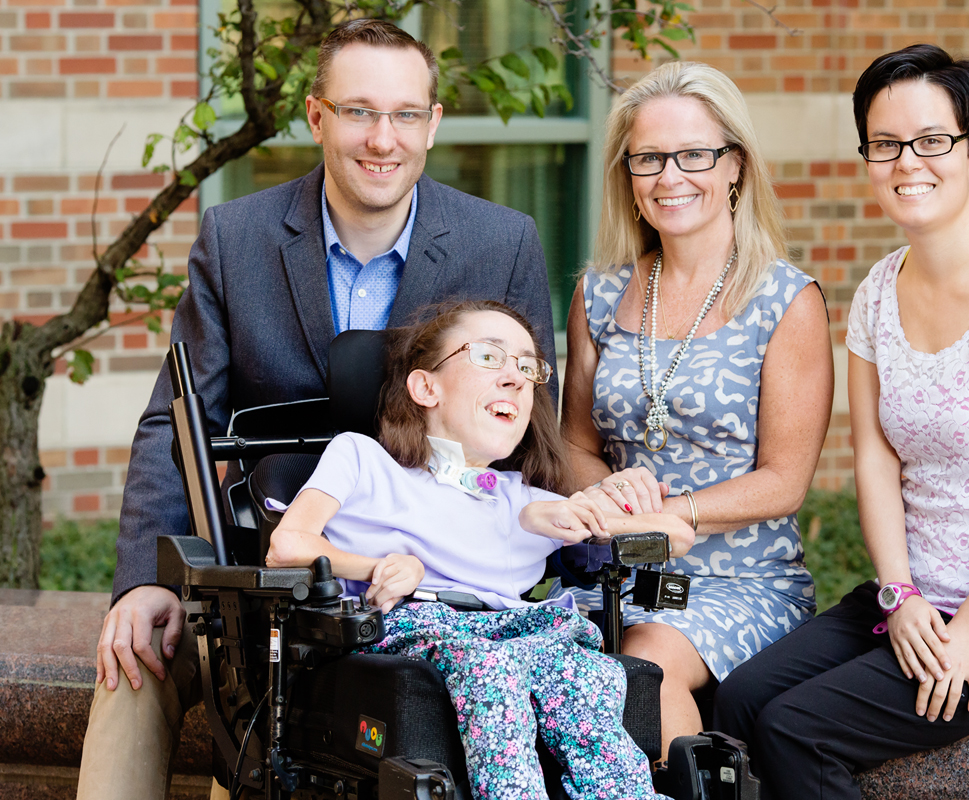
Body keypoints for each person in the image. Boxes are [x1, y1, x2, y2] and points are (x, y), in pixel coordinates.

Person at [78, 19, 556, 800]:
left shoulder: (499, 243)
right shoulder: (238, 237)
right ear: (317, 116)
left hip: (446, 598)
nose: (382, 138)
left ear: (433, 125)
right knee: (132, 665)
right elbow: (177, 419)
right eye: (359, 111)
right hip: (267, 590)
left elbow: (531, 427)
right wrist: (143, 582)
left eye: (406, 114)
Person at [712, 44, 969, 800]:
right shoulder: (878, 289)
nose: (906, 163)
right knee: (739, 699)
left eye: (932, 142)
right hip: (909, 601)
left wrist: (967, 632)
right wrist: (900, 594)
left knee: (798, 726)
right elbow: (875, 459)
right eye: (885, 145)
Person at [264, 300, 695, 800]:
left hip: (515, 633)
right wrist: (380, 565)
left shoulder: (524, 500)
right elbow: (287, 544)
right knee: (491, 668)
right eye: (490, 357)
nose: (516, 377)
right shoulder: (362, 459)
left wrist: (593, 507)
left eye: (527, 367)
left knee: (586, 673)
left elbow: (676, 537)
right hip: (408, 623)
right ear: (426, 387)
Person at [550, 60, 834, 755]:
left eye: (694, 154)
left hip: (738, 580)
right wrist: (609, 490)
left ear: (735, 164)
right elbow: (574, 446)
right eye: (649, 158)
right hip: (613, 569)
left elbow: (784, 479)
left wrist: (674, 514)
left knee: (638, 667)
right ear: (628, 174)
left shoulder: (785, 301)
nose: (669, 176)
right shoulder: (600, 293)